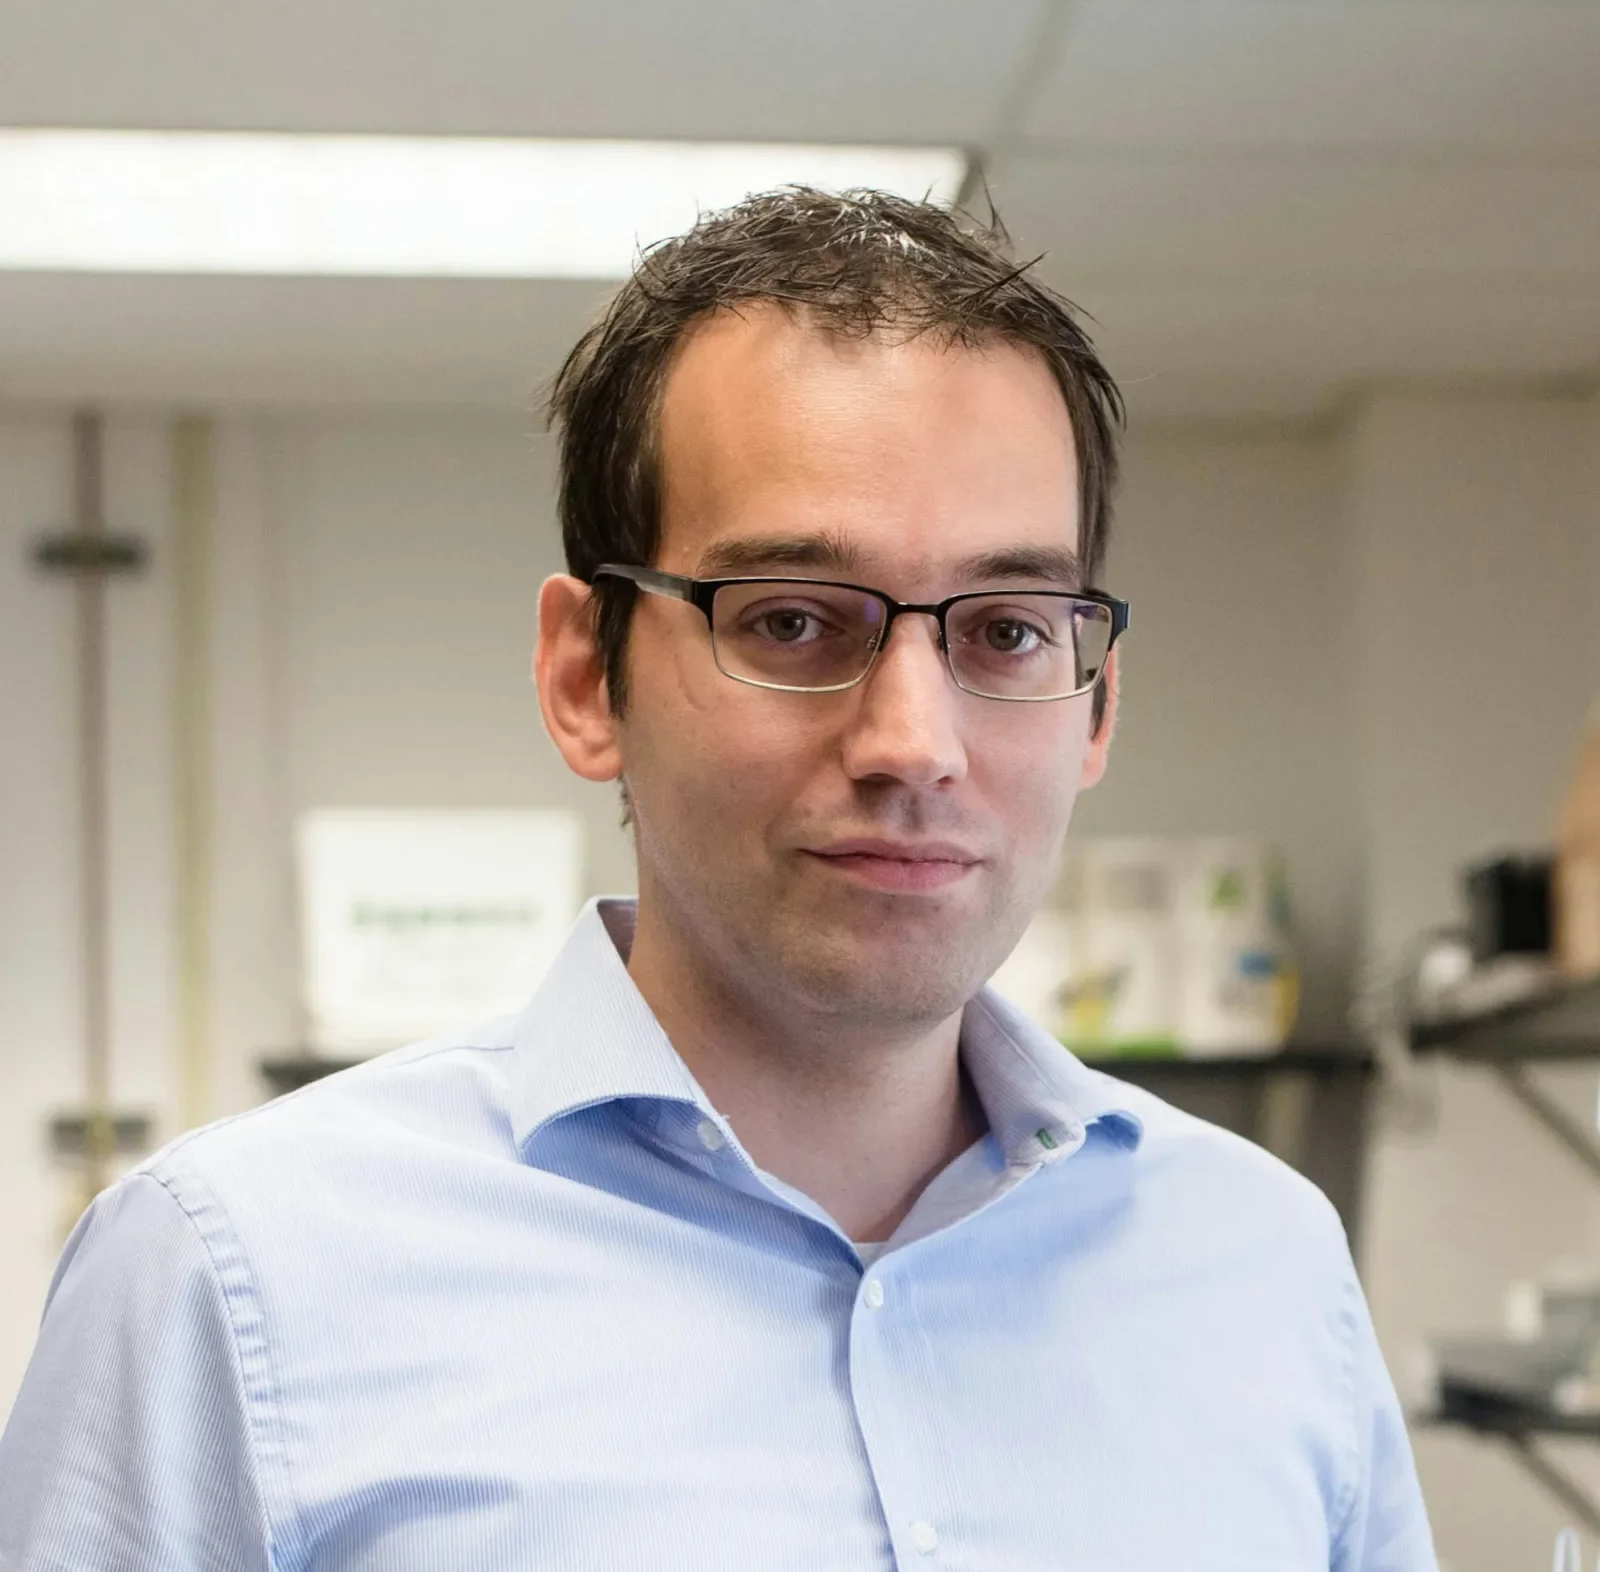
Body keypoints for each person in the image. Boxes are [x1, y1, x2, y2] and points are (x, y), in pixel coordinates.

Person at [0, 189, 1436, 1570]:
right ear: (586, 677)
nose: (913, 742)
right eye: (797, 619)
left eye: (1004, 631)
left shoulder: (1264, 1264)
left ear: (1098, 704)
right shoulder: (232, 1276)